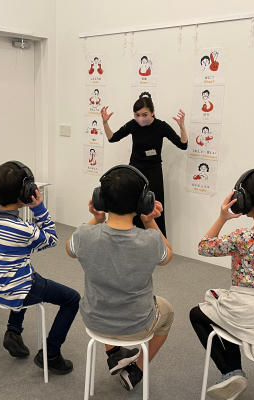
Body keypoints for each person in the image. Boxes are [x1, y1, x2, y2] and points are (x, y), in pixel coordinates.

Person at [189, 168, 254, 400]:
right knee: (224, 305)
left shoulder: (243, 238)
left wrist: (222, 217)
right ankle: (234, 366)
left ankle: (231, 370)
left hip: (247, 310)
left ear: (245, 201)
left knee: (197, 314)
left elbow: (203, 246)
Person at [67, 166, 174, 391]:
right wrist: (149, 221)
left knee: (107, 290)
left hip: (94, 320)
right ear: (143, 202)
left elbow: (70, 249)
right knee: (168, 311)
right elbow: (167, 257)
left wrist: (96, 219)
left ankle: (114, 353)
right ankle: (137, 370)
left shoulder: (84, 234)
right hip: (136, 325)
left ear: (101, 200)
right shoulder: (151, 240)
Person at [0, 161, 80, 374]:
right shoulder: (24, 229)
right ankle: (51, 354)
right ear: (25, 193)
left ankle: (14, 331)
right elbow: (52, 239)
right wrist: (39, 209)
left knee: (29, 273)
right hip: (16, 289)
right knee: (72, 299)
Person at [100, 94, 188, 236]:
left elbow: (183, 145)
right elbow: (112, 138)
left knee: (154, 207)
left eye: (145, 114)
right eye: (137, 115)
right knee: (132, 206)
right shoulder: (132, 125)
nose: (141, 118)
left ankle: (157, 241)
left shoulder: (161, 126)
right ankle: (130, 238)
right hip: (134, 172)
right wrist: (105, 123)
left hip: (154, 172)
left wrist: (182, 127)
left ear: (152, 112)